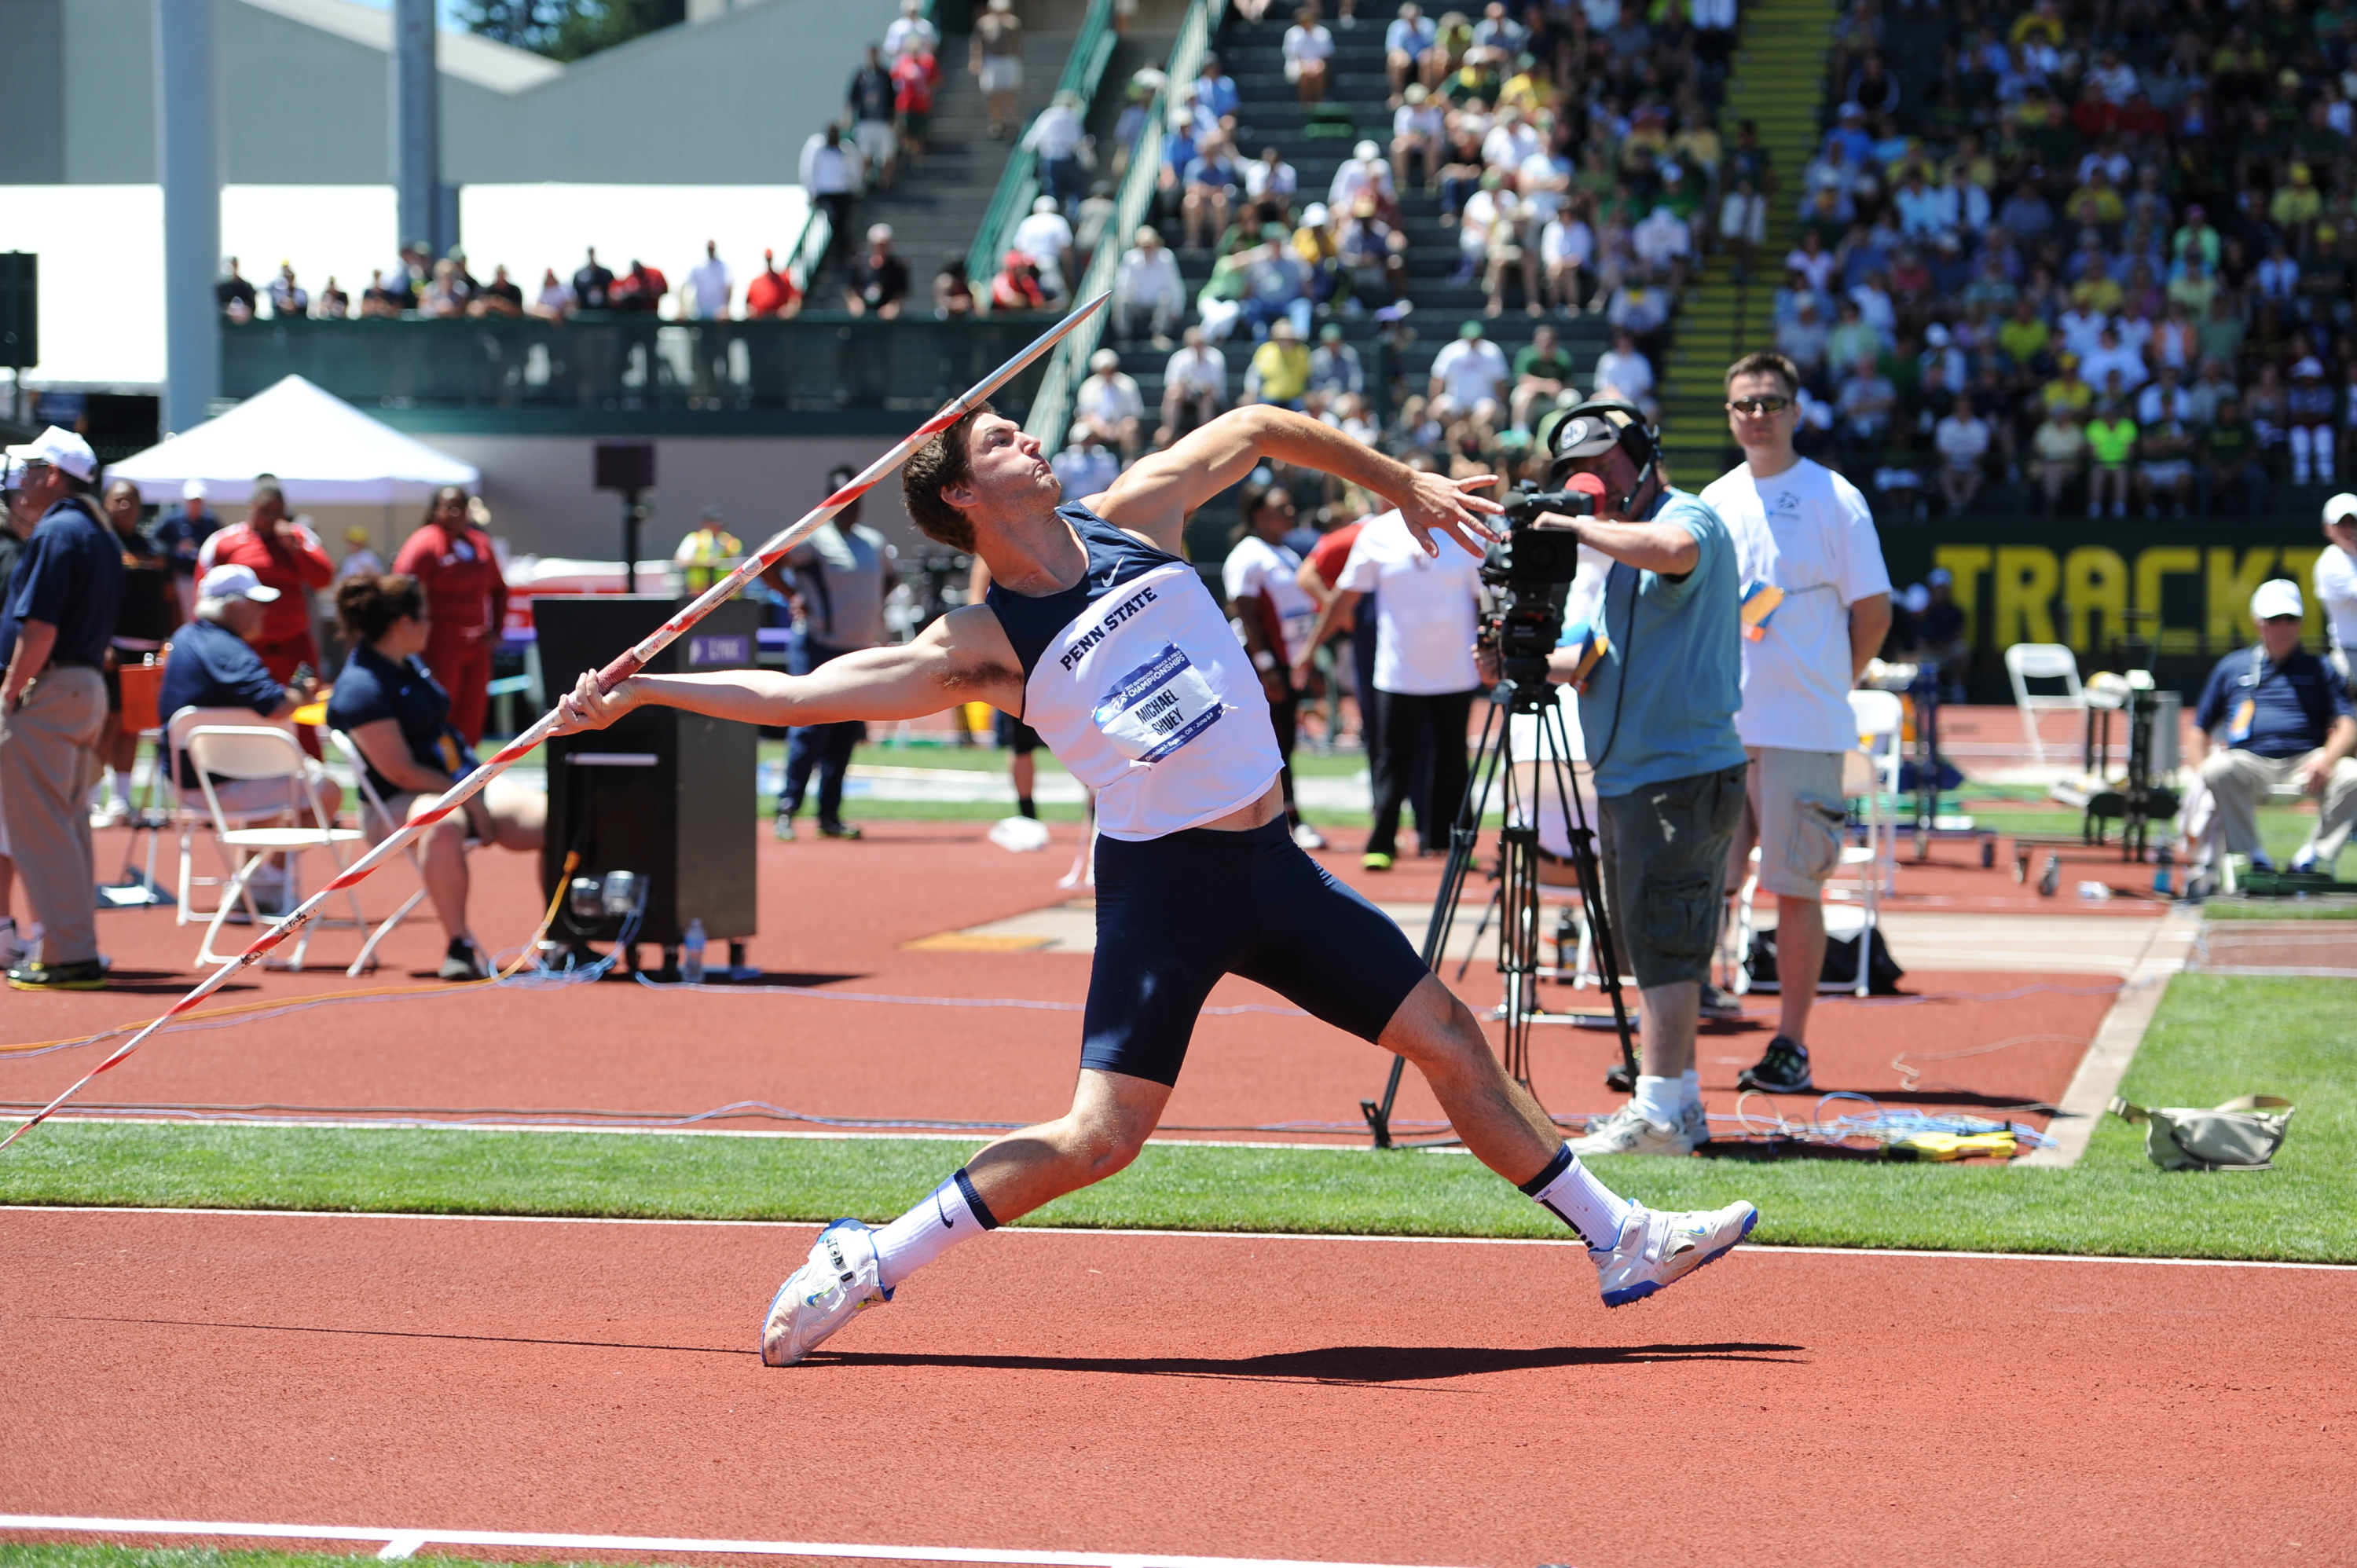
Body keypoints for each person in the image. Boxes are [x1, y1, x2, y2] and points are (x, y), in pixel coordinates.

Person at [553, 401, 1759, 1367]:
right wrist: (650, 689)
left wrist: (1400, 484)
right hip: (1167, 885)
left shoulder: (1136, 518)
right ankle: (867, 1259)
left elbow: (1259, 421)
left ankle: (1623, 1240)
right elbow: (805, 695)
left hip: (1270, 866)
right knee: (1100, 1139)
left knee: (1446, 1034)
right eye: (999, 441)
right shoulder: (984, 644)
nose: (1030, 436)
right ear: (965, 497)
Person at [1527, 401, 1748, 1157]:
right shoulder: (1623, 556)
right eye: (1582, 474)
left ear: (1645, 457)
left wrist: (1576, 527)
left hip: (1676, 773)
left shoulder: (1689, 516)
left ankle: (1657, 1110)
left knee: (1665, 943)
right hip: (1640, 775)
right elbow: (1596, 659)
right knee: (1654, 944)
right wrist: (1516, 660)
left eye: (1609, 465)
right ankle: (1675, 1106)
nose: (1596, 483)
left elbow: (1676, 548)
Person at [1699, 354, 1892, 1097]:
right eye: (1745, 402)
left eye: (1772, 401)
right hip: (1721, 725)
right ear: (1729, 413)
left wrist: (1831, 684)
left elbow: (1873, 611)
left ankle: (1792, 1044)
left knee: (1794, 886)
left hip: (1804, 727)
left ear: (1797, 411)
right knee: (1702, 883)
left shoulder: (1833, 497)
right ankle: (1676, 1040)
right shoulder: (1712, 499)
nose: (1758, 414)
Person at [330, 572, 544, 981]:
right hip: (396, 802)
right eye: (425, 618)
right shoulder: (361, 685)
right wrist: (470, 798)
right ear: (403, 624)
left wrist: (474, 791)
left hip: (460, 787)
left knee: (555, 816)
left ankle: (562, 937)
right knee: (444, 825)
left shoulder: (409, 665)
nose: (432, 626)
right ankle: (458, 945)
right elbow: (401, 771)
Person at [1303, 491, 1483, 871]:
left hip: (1456, 671)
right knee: (1392, 759)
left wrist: (1492, 651)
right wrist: (1309, 649)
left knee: (1453, 758)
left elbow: (1485, 599)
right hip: (1398, 672)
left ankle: (1451, 842)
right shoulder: (1376, 533)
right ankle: (1382, 841)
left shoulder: (1467, 530)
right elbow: (1344, 597)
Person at [0, 428, 121, 991]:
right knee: (66, 825)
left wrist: (10, 689)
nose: (22, 481)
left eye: (31, 470)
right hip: (82, 688)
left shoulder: (59, 530)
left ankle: (70, 952)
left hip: (50, 691)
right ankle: (69, 946)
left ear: (54, 475)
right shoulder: (95, 531)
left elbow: (41, 627)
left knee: (42, 831)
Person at [2187, 579, 2357, 883]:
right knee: (2218, 768)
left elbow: (2348, 725)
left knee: (2353, 774)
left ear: (2301, 622)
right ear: (2257, 622)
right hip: (2249, 762)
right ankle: (2253, 858)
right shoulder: (2232, 667)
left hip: (2308, 762)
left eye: (2290, 618)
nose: (2282, 626)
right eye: (2274, 619)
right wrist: (2202, 775)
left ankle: (2313, 858)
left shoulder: (2321, 668)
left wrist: (2327, 760)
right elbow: (2199, 728)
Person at [761, 466, 899, 841]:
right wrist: (792, 596)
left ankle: (829, 815)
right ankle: (787, 809)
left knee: (844, 733)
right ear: (830, 503)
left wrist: (871, 610)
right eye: (843, 500)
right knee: (808, 728)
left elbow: (891, 576)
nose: (851, 508)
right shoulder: (816, 540)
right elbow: (767, 560)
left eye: (857, 499)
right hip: (818, 645)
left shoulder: (872, 542)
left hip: (857, 651)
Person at [157, 563, 340, 842]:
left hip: (188, 783)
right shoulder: (228, 650)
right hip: (226, 782)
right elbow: (276, 707)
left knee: (271, 781)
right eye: (256, 604)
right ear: (232, 608)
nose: (264, 612)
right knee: (328, 790)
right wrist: (300, 694)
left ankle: (257, 876)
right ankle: (268, 873)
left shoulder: (184, 638)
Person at [1224, 479, 1325, 848]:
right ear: (1260, 515)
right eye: (1281, 509)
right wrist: (1265, 665)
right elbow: (1245, 610)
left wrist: (1306, 662)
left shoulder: (1285, 552)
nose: (1290, 514)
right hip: (1262, 662)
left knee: (1285, 741)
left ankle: (1279, 819)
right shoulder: (1250, 554)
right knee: (1273, 744)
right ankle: (1287, 821)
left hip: (1289, 659)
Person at [392, 485, 508, 747]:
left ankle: (465, 774)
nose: (455, 513)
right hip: (441, 642)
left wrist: (497, 628)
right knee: (442, 709)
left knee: (473, 713)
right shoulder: (426, 542)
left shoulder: (479, 543)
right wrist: (410, 637)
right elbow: (402, 588)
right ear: (435, 510)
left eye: (460, 506)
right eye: (448, 506)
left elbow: (499, 588)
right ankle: (439, 771)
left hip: (476, 642)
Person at [95, 478, 178, 826]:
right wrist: (101, 643)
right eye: (118, 500)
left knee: (132, 727)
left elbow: (172, 601)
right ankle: (88, 799)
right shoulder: (100, 545)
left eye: (131, 501)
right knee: (105, 725)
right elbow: (92, 600)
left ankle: (121, 801)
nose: (125, 507)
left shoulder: (155, 550)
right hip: (110, 652)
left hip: (146, 653)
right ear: (106, 504)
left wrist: (172, 642)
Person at [197, 479, 333, 683]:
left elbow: (324, 578)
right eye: (265, 509)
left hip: (294, 643)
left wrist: (295, 549)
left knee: (306, 705)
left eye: (277, 510)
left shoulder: (298, 536)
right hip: (247, 647)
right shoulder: (225, 541)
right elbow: (202, 592)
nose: (271, 516)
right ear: (251, 507)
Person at [152, 478, 214, 625]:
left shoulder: (209, 522)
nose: (195, 505)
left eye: (198, 501)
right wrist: (174, 550)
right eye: (192, 501)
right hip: (181, 577)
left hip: (203, 577)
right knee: (183, 616)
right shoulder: (174, 519)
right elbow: (155, 539)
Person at [1112, 225, 1185, 347]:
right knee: (1122, 299)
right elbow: (1122, 285)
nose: (1147, 249)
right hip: (1137, 305)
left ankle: (1159, 335)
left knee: (1165, 297)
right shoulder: (1130, 258)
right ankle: (1123, 338)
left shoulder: (1166, 257)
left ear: (1156, 243)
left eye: (1150, 244)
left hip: (1158, 305)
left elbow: (1175, 285)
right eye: (1144, 245)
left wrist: (1177, 309)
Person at [2315, 494, 2357, 699]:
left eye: (2354, 522)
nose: (2349, 530)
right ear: (2328, 529)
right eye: (2342, 524)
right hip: (2350, 659)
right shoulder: (2332, 562)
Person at [1075, 349, 1145, 460]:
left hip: (1121, 427)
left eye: (1111, 369)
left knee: (1131, 426)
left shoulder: (1128, 384)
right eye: (1104, 369)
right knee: (1082, 427)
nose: (1108, 372)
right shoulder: (1088, 387)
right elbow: (1086, 414)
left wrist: (1117, 429)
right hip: (1097, 429)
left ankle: (1129, 462)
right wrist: (1103, 428)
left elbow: (1134, 413)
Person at [849, 45, 900, 190]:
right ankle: (865, 181)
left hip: (883, 121)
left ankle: (885, 181)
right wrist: (848, 118)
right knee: (865, 154)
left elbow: (893, 99)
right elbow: (852, 99)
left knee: (887, 154)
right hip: (865, 121)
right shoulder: (860, 75)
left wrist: (894, 119)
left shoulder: (885, 75)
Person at [971, 0, 1024, 140]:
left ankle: (1010, 121)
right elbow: (977, 42)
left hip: (1009, 59)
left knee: (1009, 92)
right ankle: (996, 122)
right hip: (992, 60)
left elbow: (1017, 43)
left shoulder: (1013, 23)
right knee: (992, 93)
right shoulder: (984, 23)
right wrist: (976, 59)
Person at [673, 507, 743, 599]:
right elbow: (680, 560)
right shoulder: (695, 539)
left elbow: (740, 565)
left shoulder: (729, 541)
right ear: (705, 524)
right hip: (699, 594)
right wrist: (705, 562)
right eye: (713, 523)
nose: (717, 527)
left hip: (725, 594)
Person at [845, 225, 910, 318]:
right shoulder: (859, 264)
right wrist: (854, 302)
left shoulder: (897, 267)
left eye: (883, 245)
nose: (880, 248)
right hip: (862, 319)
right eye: (877, 245)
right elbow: (850, 289)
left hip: (888, 321)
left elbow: (901, 292)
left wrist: (893, 306)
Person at [744, 250, 802, 319]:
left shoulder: (784, 280)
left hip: (779, 322)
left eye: (770, 258)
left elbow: (795, 299)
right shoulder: (756, 282)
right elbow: (748, 304)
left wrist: (789, 310)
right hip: (760, 323)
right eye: (767, 258)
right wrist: (751, 311)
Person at [686, 240, 734, 320]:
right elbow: (686, 286)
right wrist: (683, 308)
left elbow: (729, 286)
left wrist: (726, 308)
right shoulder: (698, 266)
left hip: (719, 317)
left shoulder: (723, 266)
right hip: (700, 314)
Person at [570, 248, 614, 312]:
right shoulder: (579, 274)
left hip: (605, 312)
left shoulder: (606, 273)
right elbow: (575, 296)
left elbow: (612, 292)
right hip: (585, 312)